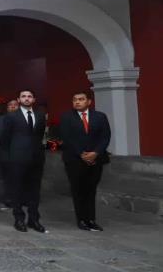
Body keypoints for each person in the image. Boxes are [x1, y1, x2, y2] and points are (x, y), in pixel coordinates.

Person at [0, 90, 47, 233]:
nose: (26, 99)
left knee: (34, 190)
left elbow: (40, 135)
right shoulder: (11, 116)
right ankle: (19, 218)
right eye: (23, 96)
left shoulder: (40, 115)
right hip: (17, 157)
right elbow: (5, 138)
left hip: (36, 158)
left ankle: (34, 219)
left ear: (33, 100)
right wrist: (10, 155)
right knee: (17, 189)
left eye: (29, 96)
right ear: (19, 100)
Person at [58, 91, 110, 232]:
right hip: (74, 159)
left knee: (90, 189)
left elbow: (105, 137)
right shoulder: (66, 117)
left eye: (81, 99)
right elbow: (67, 138)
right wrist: (82, 154)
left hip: (96, 159)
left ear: (89, 102)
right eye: (75, 99)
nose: (77, 102)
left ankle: (91, 219)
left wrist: (95, 153)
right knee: (78, 189)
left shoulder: (100, 117)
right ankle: (81, 219)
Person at [0, 98, 20, 209]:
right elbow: (1, 135)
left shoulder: (24, 118)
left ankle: (21, 198)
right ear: (7, 107)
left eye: (15, 104)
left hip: (21, 153)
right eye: (10, 105)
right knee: (8, 178)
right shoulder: (1, 119)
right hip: (6, 152)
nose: (13, 106)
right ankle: (9, 198)